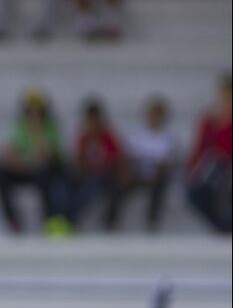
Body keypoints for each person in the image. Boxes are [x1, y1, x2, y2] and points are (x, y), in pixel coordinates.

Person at [0, 90, 70, 235]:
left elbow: (46, 157)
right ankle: (13, 221)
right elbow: (9, 154)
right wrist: (25, 161)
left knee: (47, 176)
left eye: (37, 112)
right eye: (30, 112)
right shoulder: (21, 128)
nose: (34, 116)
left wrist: (24, 160)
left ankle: (49, 220)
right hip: (27, 171)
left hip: (44, 174)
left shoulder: (51, 128)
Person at [102, 95, 177, 232]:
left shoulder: (168, 139)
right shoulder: (138, 135)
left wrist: (154, 168)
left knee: (159, 186)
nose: (154, 119)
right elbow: (127, 157)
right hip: (137, 174)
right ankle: (110, 223)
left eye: (157, 116)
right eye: (152, 115)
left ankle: (152, 224)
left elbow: (168, 163)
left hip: (156, 177)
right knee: (117, 184)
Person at [185, 73, 232, 234]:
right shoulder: (210, 118)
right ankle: (222, 228)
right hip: (213, 166)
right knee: (195, 193)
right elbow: (200, 147)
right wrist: (191, 167)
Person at [69, 97, 124, 230]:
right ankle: (72, 218)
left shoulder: (108, 136)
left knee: (114, 187)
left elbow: (116, 157)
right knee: (80, 185)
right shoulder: (84, 137)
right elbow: (78, 159)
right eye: (91, 120)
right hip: (88, 175)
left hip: (106, 174)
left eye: (96, 119)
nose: (93, 123)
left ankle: (110, 222)